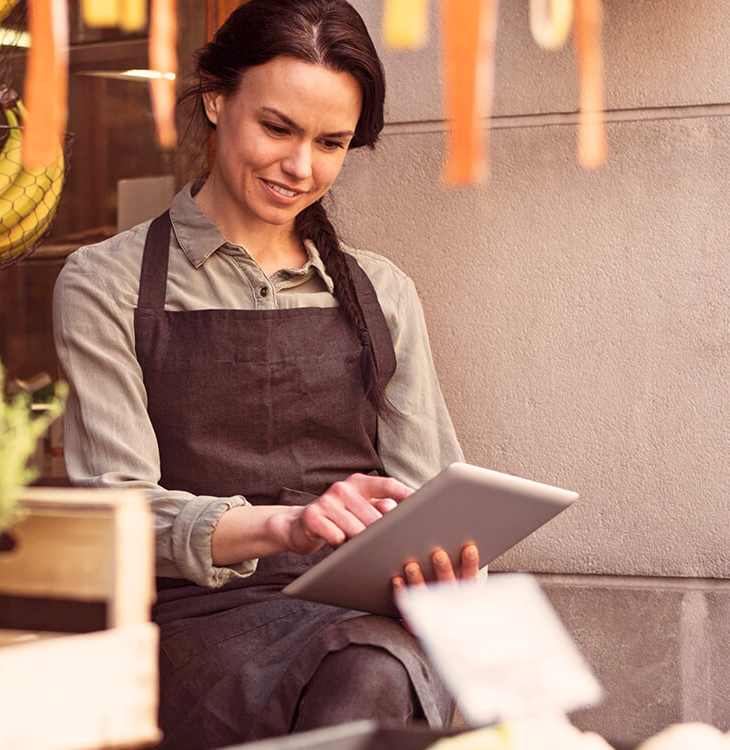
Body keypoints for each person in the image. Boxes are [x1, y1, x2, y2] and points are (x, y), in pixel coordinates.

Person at [52, 1, 479, 747]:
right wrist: (285, 528)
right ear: (216, 99)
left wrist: (442, 559)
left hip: (372, 617)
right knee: (372, 668)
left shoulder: (383, 291)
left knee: (415, 658)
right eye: (278, 128)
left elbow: (427, 493)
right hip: (200, 623)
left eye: (331, 142)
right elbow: (118, 515)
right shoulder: (105, 284)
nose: (300, 167)